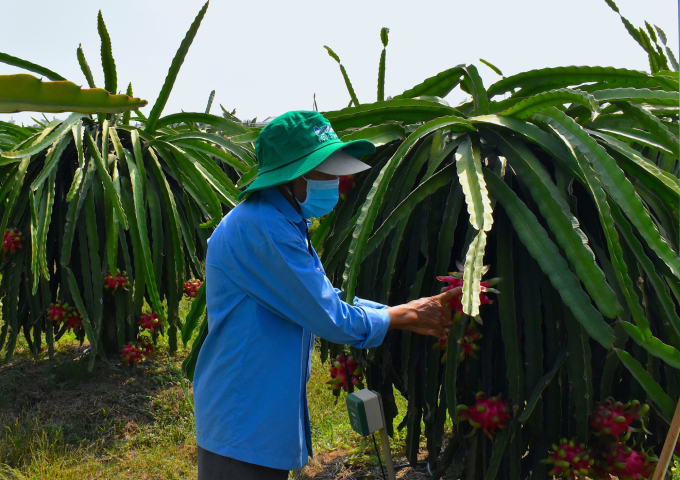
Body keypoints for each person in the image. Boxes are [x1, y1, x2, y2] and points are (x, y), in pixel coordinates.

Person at [193, 111, 460, 480]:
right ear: (294, 175)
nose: (336, 180)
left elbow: (319, 297)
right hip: (243, 416)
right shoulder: (262, 229)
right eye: (325, 170)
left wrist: (400, 309)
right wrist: (405, 316)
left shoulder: (281, 219)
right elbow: (328, 315)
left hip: (254, 408)